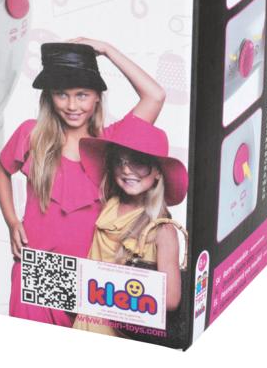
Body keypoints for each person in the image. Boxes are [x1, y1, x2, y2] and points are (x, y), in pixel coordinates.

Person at [0, 38, 167, 325]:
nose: (72, 105)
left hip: (92, 276)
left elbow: (155, 96)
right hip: (37, 267)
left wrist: (107, 50)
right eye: (62, 94)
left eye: (82, 95)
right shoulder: (32, 135)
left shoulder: (111, 142)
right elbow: (1, 170)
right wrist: (12, 222)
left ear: (97, 96)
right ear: (49, 97)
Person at [72, 122, 188, 335]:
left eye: (139, 162)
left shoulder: (162, 230)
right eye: (120, 161)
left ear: (158, 172)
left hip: (120, 332)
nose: (126, 170)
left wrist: (108, 284)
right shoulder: (108, 203)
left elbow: (171, 299)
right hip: (85, 323)